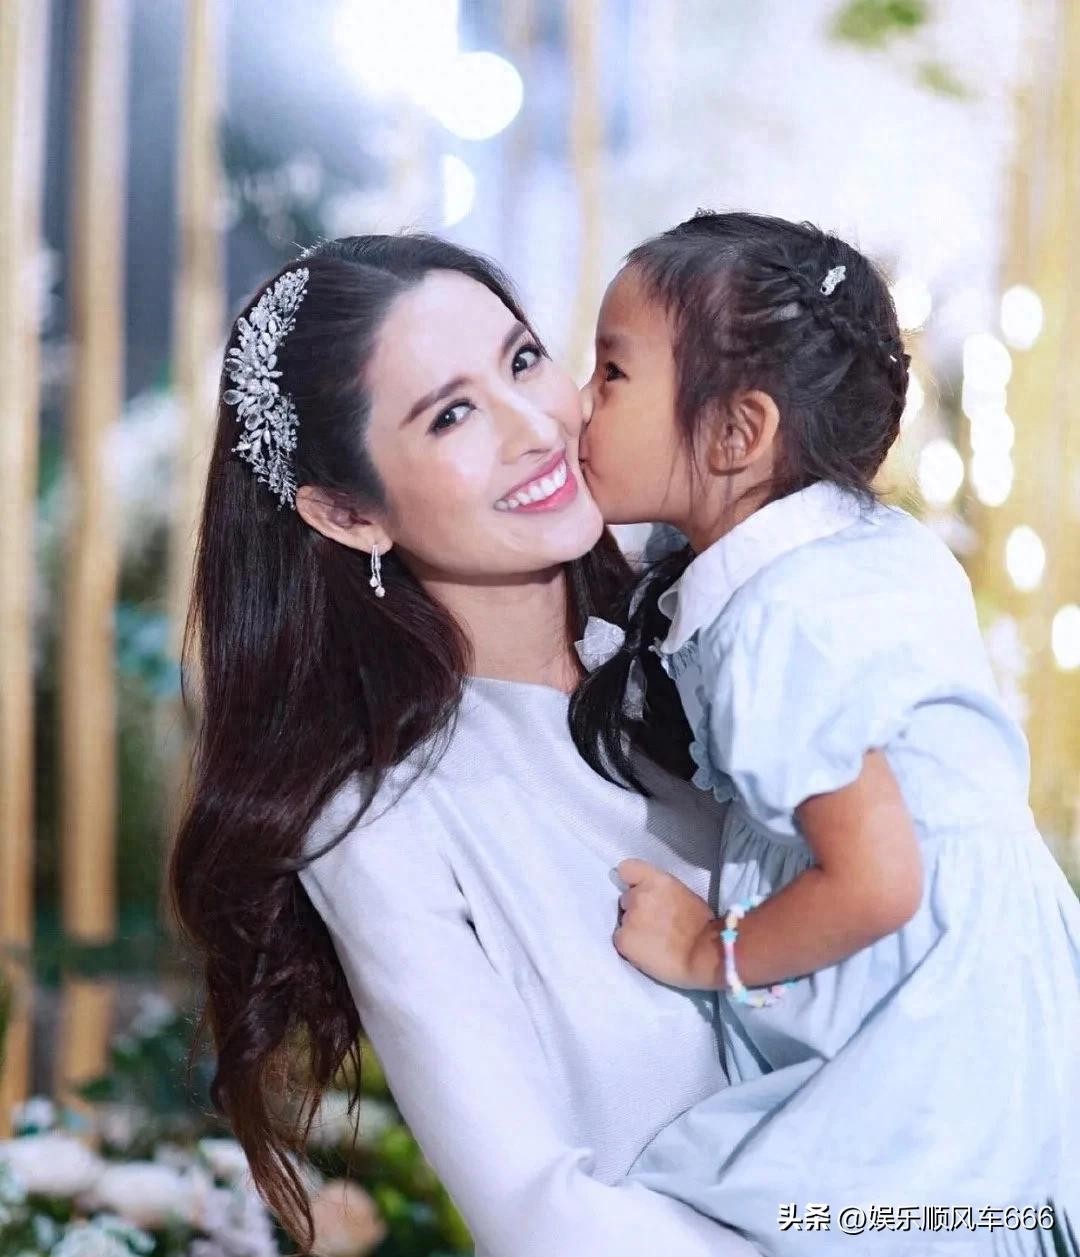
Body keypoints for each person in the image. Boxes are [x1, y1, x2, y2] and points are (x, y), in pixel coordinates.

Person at [169, 233, 761, 1257]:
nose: (535, 426)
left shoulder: (724, 632)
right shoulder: (380, 821)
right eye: (452, 414)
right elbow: (536, 1211)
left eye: (523, 360)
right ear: (347, 512)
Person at [571, 210, 1080, 1254]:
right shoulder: (858, 546)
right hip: (998, 972)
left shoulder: (781, 624)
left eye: (611, 373)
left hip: (924, 1023)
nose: (579, 404)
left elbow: (877, 882)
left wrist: (709, 951)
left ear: (737, 433)